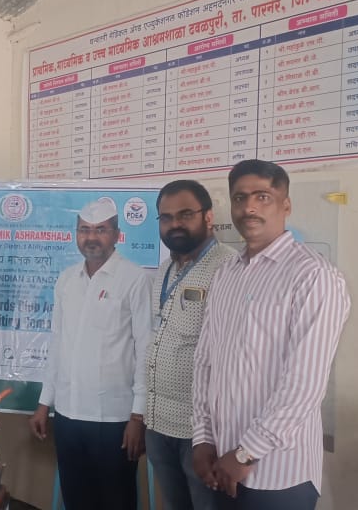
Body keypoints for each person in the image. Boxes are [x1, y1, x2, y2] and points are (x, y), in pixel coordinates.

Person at [191, 160, 351, 510]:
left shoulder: (313, 276)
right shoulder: (226, 274)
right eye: (240, 198)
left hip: (279, 474)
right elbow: (205, 361)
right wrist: (202, 437)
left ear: (286, 205)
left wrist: (246, 452)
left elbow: (305, 384)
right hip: (221, 463)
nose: (249, 207)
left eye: (263, 196)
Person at [28, 198, 153, 510]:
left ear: (116, 235)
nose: (91, 237)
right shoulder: (67, 280)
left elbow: (146, 348)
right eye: (84, 230)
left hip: (114, 419)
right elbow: (58, 343)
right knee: (76, 499)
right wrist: (44, 403)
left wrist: (138, 415)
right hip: (68, 415)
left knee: (116, 501)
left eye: (101, 230)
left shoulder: (135, 279)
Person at [146, 180, 238, 510]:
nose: (175, 224)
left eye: (185, 214)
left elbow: (233, 358)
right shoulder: (164, 271)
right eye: (166, 217)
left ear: (208, 217)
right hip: (158, 425)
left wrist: (209, 435)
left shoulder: (229, 268)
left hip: (201, 435)